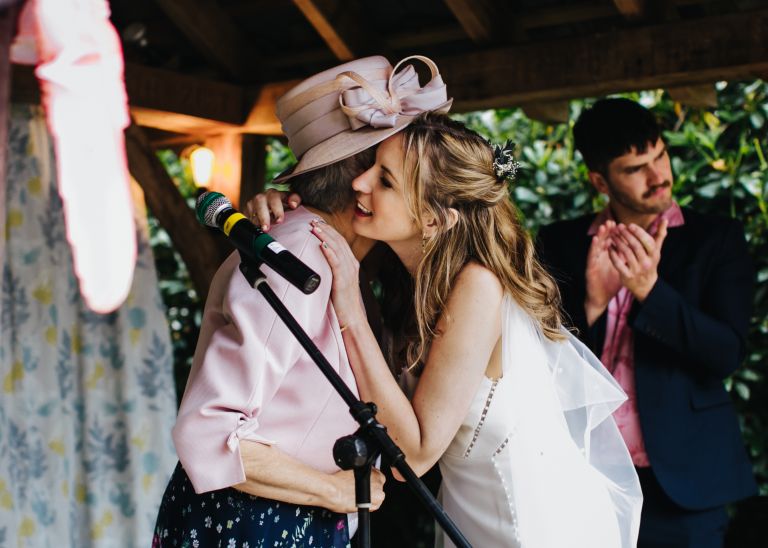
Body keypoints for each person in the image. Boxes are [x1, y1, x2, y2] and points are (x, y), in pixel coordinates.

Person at [153, 55, 451, 547]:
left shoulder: (352, 260)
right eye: (392, 168)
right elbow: (207, 429)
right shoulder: (299, 254)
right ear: (359, 178)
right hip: (252, 526)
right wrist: (332, 491)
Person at [308, 112, 643, 548]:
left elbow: (413, 456)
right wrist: (284, 208)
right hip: (474, 523)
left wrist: (350, 307)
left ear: (434, 220)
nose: (359, 182)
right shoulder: (410, 276)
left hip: (529, 530)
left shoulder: (478, 286)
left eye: (385, 181)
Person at [536, 98, 758, 548]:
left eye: (660, 156)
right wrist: (593, 305)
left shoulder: (716, 239)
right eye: (636, 168)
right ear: (600, 181)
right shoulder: (560, 243)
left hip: (683, 482)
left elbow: (727, 353)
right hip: (585, 475)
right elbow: (541, 362)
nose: (658, 176)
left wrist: (650, 292)